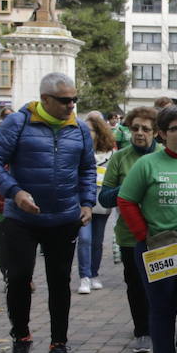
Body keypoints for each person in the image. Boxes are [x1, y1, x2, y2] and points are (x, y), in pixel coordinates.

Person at [0, 73, 96, 353]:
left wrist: (86, 202)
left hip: (63, 218)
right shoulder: (18, 123)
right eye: (64, 100)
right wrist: (14, 193)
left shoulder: (79, 129)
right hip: (22, 218)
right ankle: (21, 337)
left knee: (60, 282)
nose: (71, 105)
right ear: (45, 99)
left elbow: (87, 168)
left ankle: (59, 343)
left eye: (74, 99)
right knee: (18, 278)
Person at [117, 105, 177, 353]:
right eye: (174, 129)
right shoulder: (148, 164)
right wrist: (144, 235)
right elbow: (126, 200)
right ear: (162, 134)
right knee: (162, 307)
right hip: (159, 249)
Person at [98, 107, 157, 353]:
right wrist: (129, 187)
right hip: (129, 236)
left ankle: (160, 327)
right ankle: (142, 331)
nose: (139, 133)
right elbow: (104, 197)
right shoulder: (120, 158)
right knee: (135, 284)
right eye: (135, 128)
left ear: (156, 132)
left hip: (162, 236)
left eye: (145, 129)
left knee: (161, 285)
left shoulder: (166, 155)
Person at [76, 111, 117, 294]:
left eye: (90, 129)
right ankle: (84, 276)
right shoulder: (77, 150)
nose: (86, 132)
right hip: (82, 202)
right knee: (84, 239)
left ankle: (94, 274)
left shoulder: (110, 153)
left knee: (98, 241)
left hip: (102, 204)